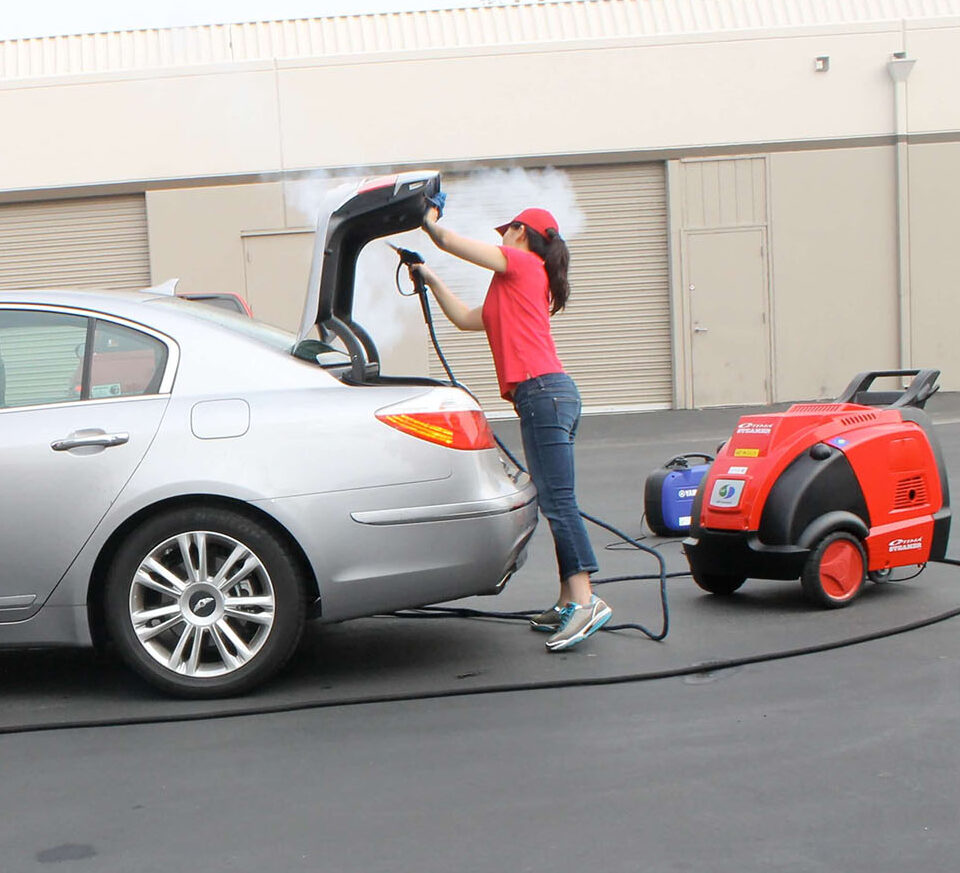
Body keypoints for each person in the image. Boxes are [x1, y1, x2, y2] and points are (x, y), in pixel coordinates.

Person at [413, 204, 611, 651]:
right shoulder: (511, 286)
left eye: (508, 230)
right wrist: (430, 278)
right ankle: (568, 600)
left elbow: (449, 242)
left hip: (544, 394)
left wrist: (427, 219)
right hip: (547, 395)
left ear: (522, 233)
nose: (502, 237)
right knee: (556, 500)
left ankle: (585, 602)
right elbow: (466, 319)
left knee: (559, 502)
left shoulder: (523, 263)